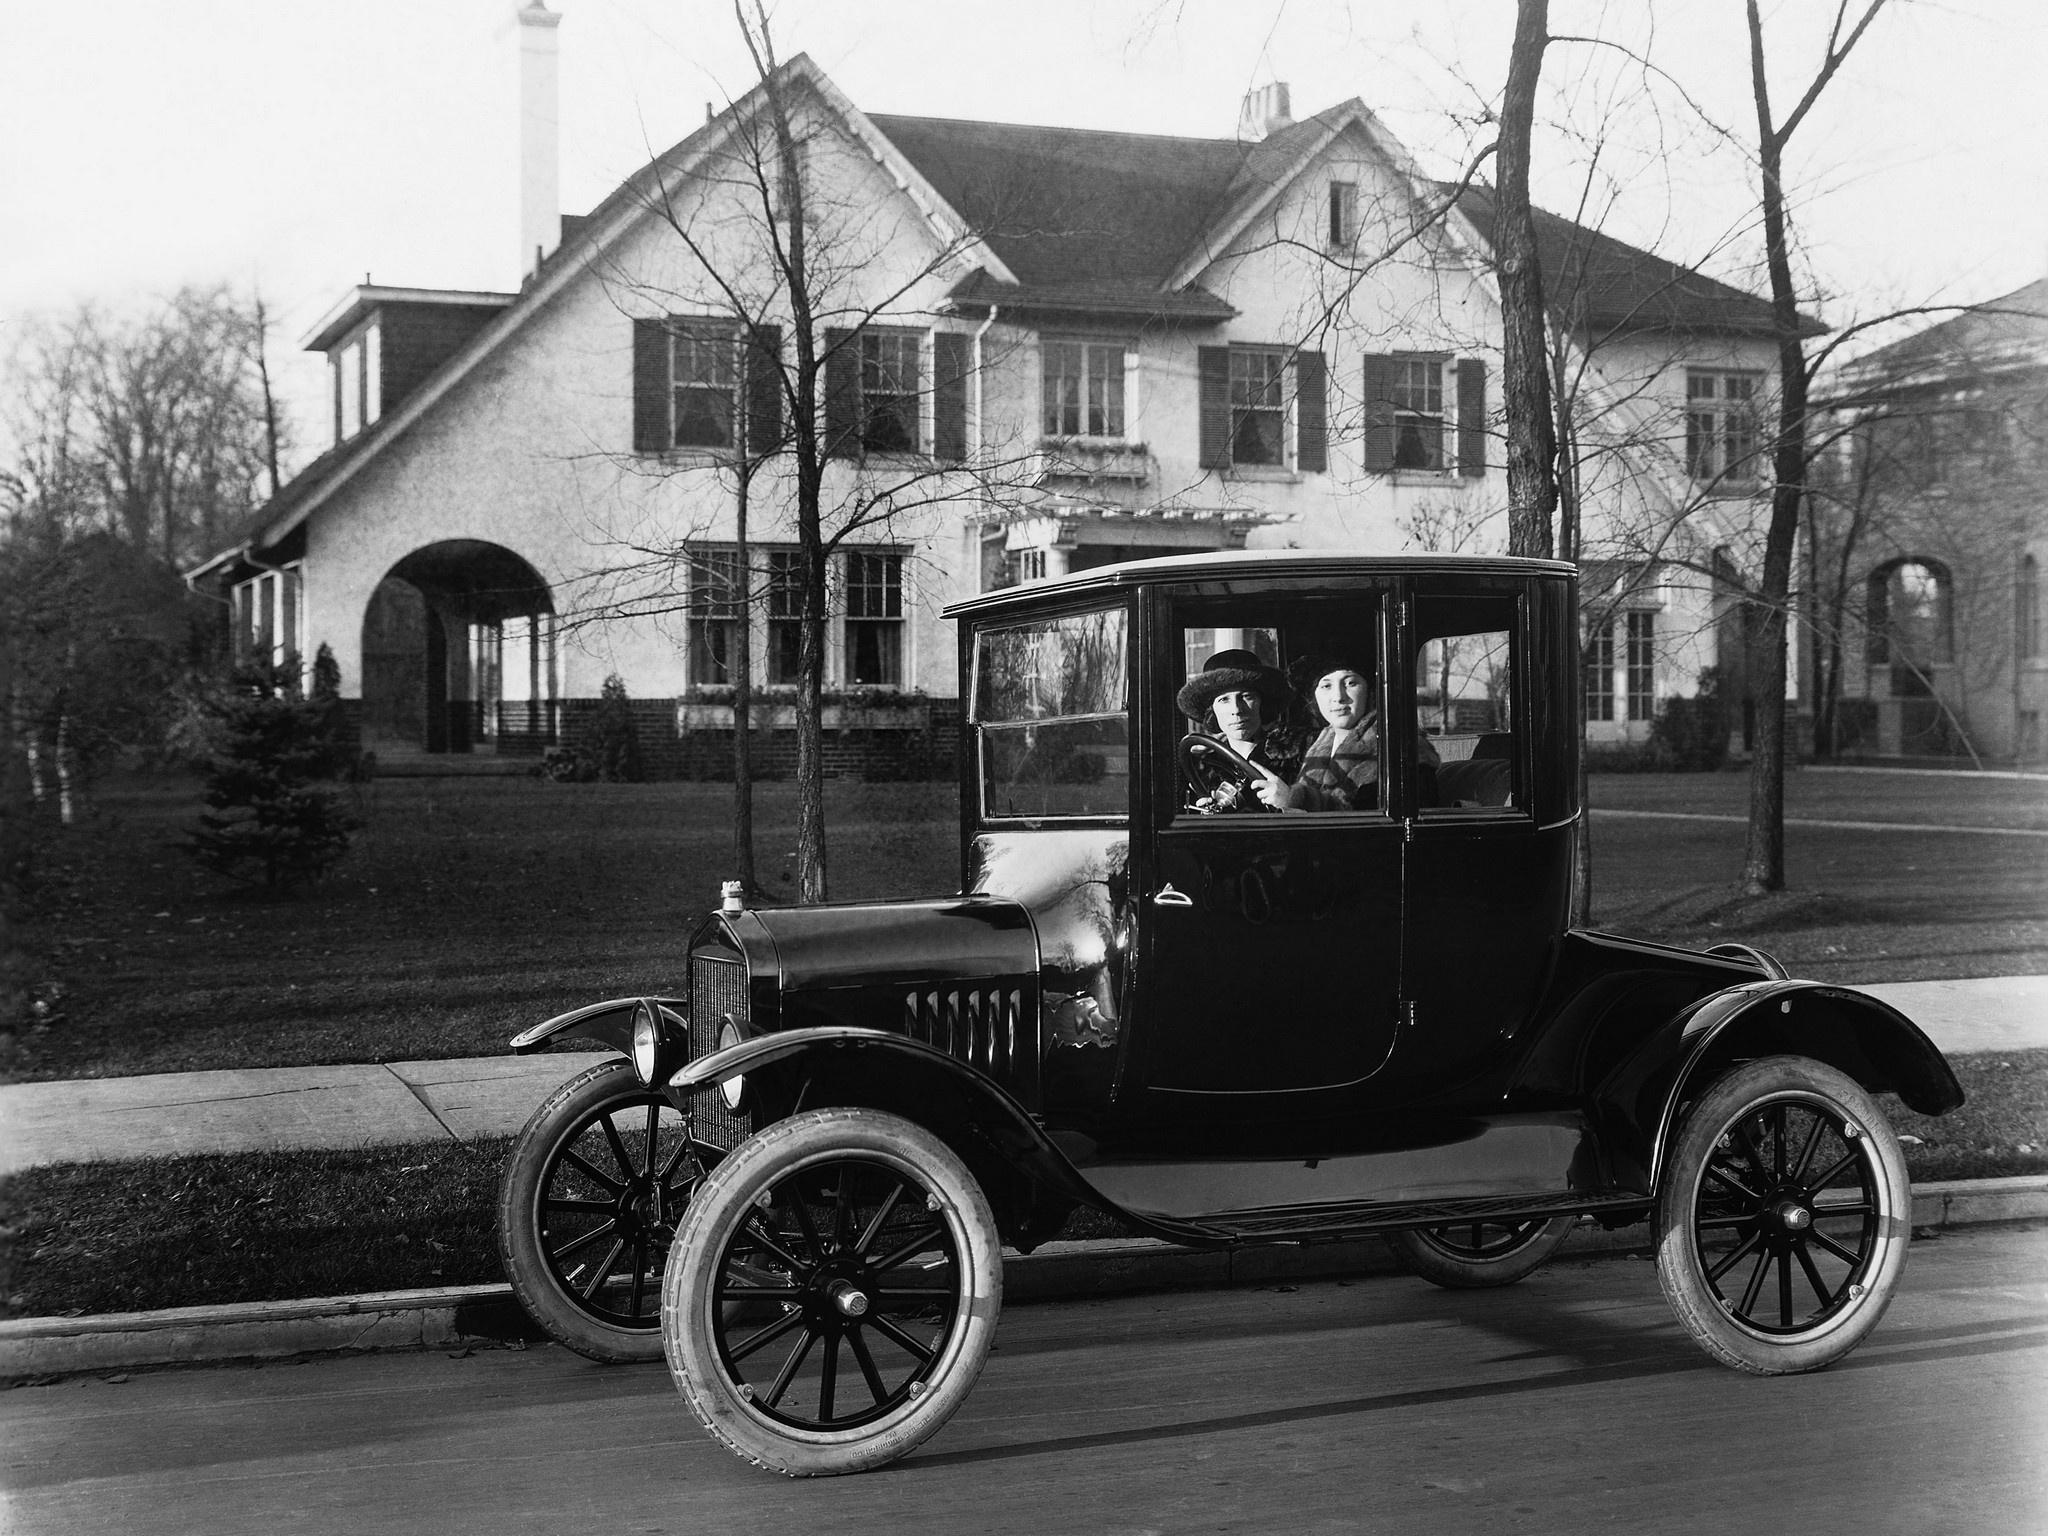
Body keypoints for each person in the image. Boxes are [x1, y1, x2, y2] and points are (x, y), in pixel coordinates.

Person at [1286, 653, 1438, 812]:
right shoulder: (1318, 746)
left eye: (1351, 683)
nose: (1339, 697)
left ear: (1370, 691)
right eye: (1326, 686)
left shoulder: (1401, 750)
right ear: (1314, 697)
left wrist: (1296, 799)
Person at [1176, 648, 1292, 812]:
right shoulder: (1200, 768)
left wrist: (1291, 803)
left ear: (1262, 702)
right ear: (1212, 711)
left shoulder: (1296, 756)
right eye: (1224, 700)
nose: (1236, 709)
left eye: (1246, 696)